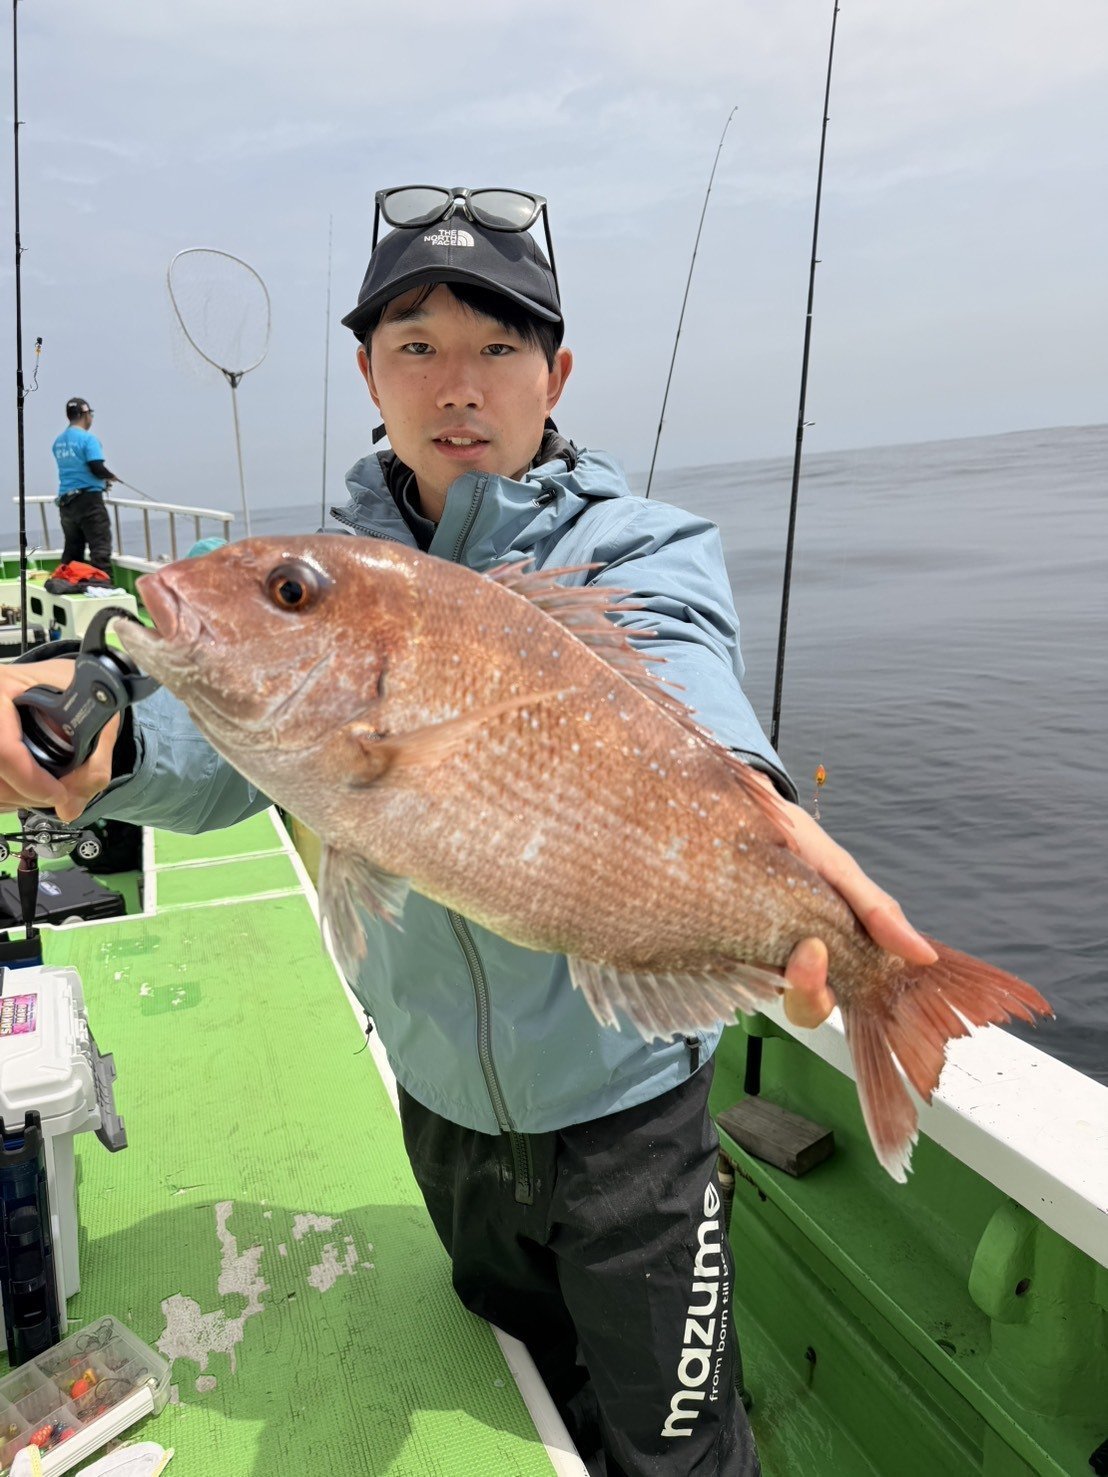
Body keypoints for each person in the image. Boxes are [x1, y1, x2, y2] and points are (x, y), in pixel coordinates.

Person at [0, 190, 936, 1477]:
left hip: (628, 1120)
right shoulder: (343, 577)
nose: (458, 383)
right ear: (368, 374)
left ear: (556, 375)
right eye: (417, 346)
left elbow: (683, 683)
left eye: (498, 347)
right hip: (438, 1112)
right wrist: (92, 747)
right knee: (517, 1368)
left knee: (673, 1443)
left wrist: (757, 803)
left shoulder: (639, 547)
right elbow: (225, 754)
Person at [51, 396, 118, 576]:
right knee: (100, 547)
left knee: (73, 549)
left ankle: (67, 582)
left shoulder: (58, 442)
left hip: (66, 503)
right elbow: (96, 467)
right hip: (89, 502)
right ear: (85, 414)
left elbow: (75, 469)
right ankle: (102, 585)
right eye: (91, 414)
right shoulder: (88, 439)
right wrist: (111, 477)